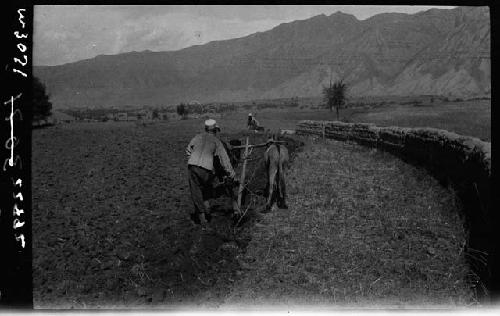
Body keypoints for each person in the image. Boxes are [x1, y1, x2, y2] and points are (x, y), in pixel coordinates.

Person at [186, 119, 237, 225]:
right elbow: (225, 160)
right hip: (206, 170)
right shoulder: (217, 142)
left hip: (192, 168)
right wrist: (232, 174)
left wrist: (193, 160)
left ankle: (203, 218)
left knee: (196, 192)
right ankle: (207, 209)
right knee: (206, 187)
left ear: (205, 129)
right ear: (215, 130)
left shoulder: (197, 137)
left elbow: (188, 150)